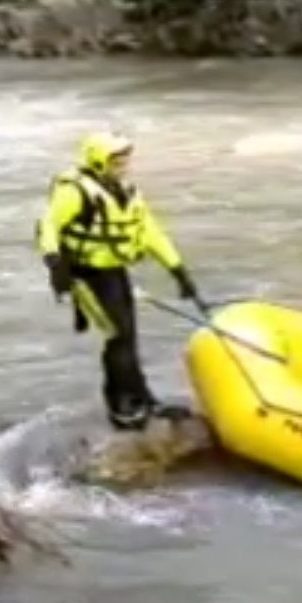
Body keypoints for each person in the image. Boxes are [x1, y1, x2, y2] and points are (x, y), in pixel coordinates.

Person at [36, 131, 200, 431]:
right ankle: (120, 404)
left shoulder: (127, 191)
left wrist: (178, 271)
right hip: (84, 273)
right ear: (98, 160)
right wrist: (54, 264)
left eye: (125, 159)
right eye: (116, 160)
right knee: (117, 336)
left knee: (129, 336)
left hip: (113, 271)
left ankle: (143, 398)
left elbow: (151, 232)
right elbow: (48, 225)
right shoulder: (75, 191)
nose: (124, 165)